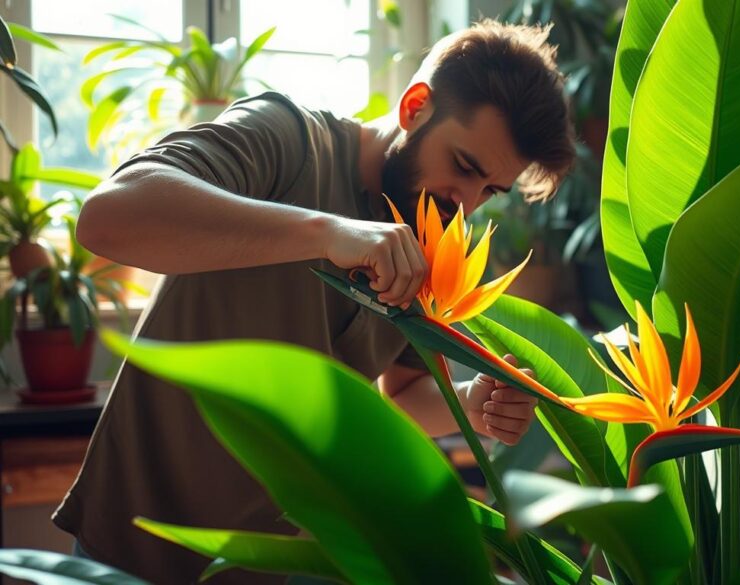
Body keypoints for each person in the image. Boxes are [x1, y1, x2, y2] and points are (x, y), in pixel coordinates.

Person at [56, 19, 575, 583]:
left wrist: (471, 403)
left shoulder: (430, 237)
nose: (466, 204)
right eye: (464, 168)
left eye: (489, 191)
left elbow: (399, 393)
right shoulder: (288, 138)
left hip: (269, 566)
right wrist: (328, 233)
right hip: (131, 543)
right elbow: (107, 219)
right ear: (415, 106)